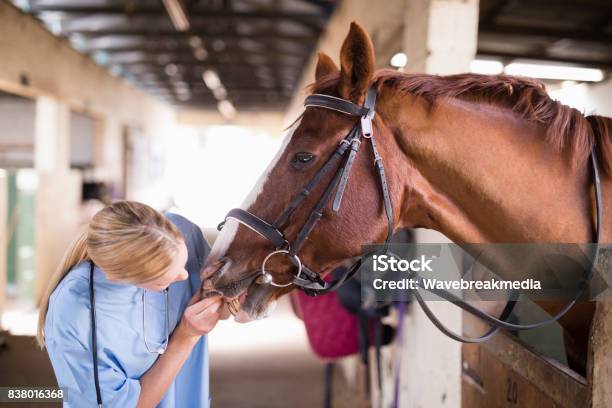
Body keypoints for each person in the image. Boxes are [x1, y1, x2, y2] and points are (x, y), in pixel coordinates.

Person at [36, 201, 223, 407]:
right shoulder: (75, 314)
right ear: (118, 277)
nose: (185, 275)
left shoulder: (183, 232)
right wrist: (186, 336)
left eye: (184, 262)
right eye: (163, 281)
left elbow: (232, 301)